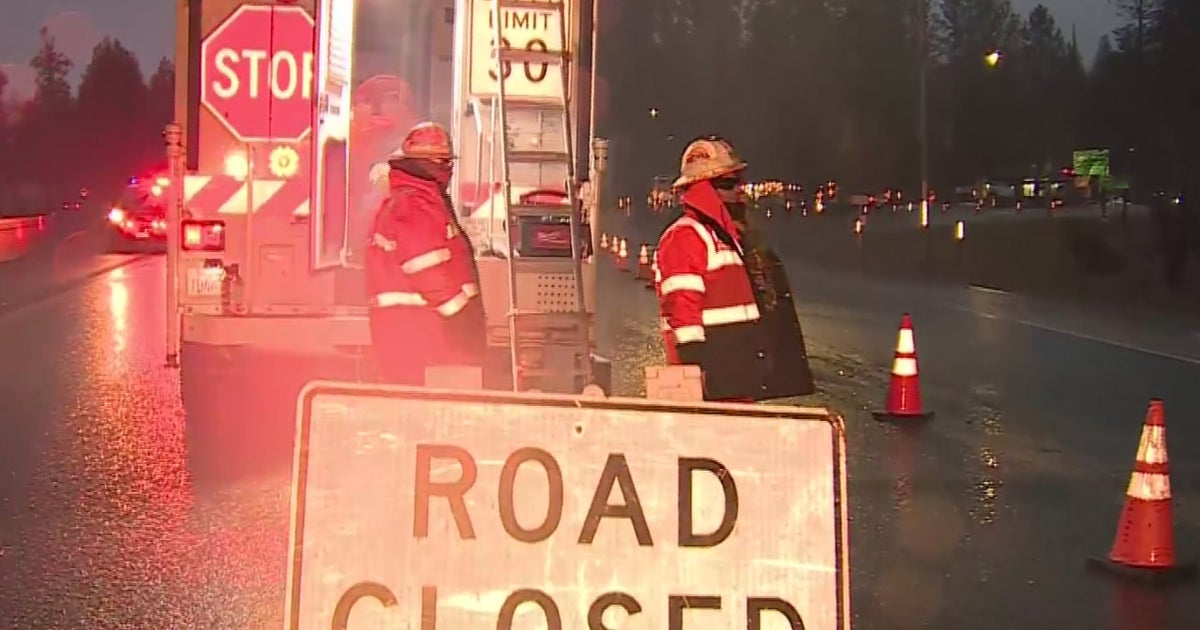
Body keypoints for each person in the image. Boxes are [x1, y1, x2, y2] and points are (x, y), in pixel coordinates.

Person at [364, 122, 487, 385]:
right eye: (444, 162)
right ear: (432, 163)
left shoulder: (416, 197)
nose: (449, 169)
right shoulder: (414, 203)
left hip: (415, 338)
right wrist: (460, 318)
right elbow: (425, 267)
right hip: (420, 339)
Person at [654, 137, 770, 401]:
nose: (738, 191)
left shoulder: (724, 238)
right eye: (729, 184)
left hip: (736, 379)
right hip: (713, 383)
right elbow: (683, 310)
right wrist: (696, 374)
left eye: (738, 182)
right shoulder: (685, 236)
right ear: (704, 190)